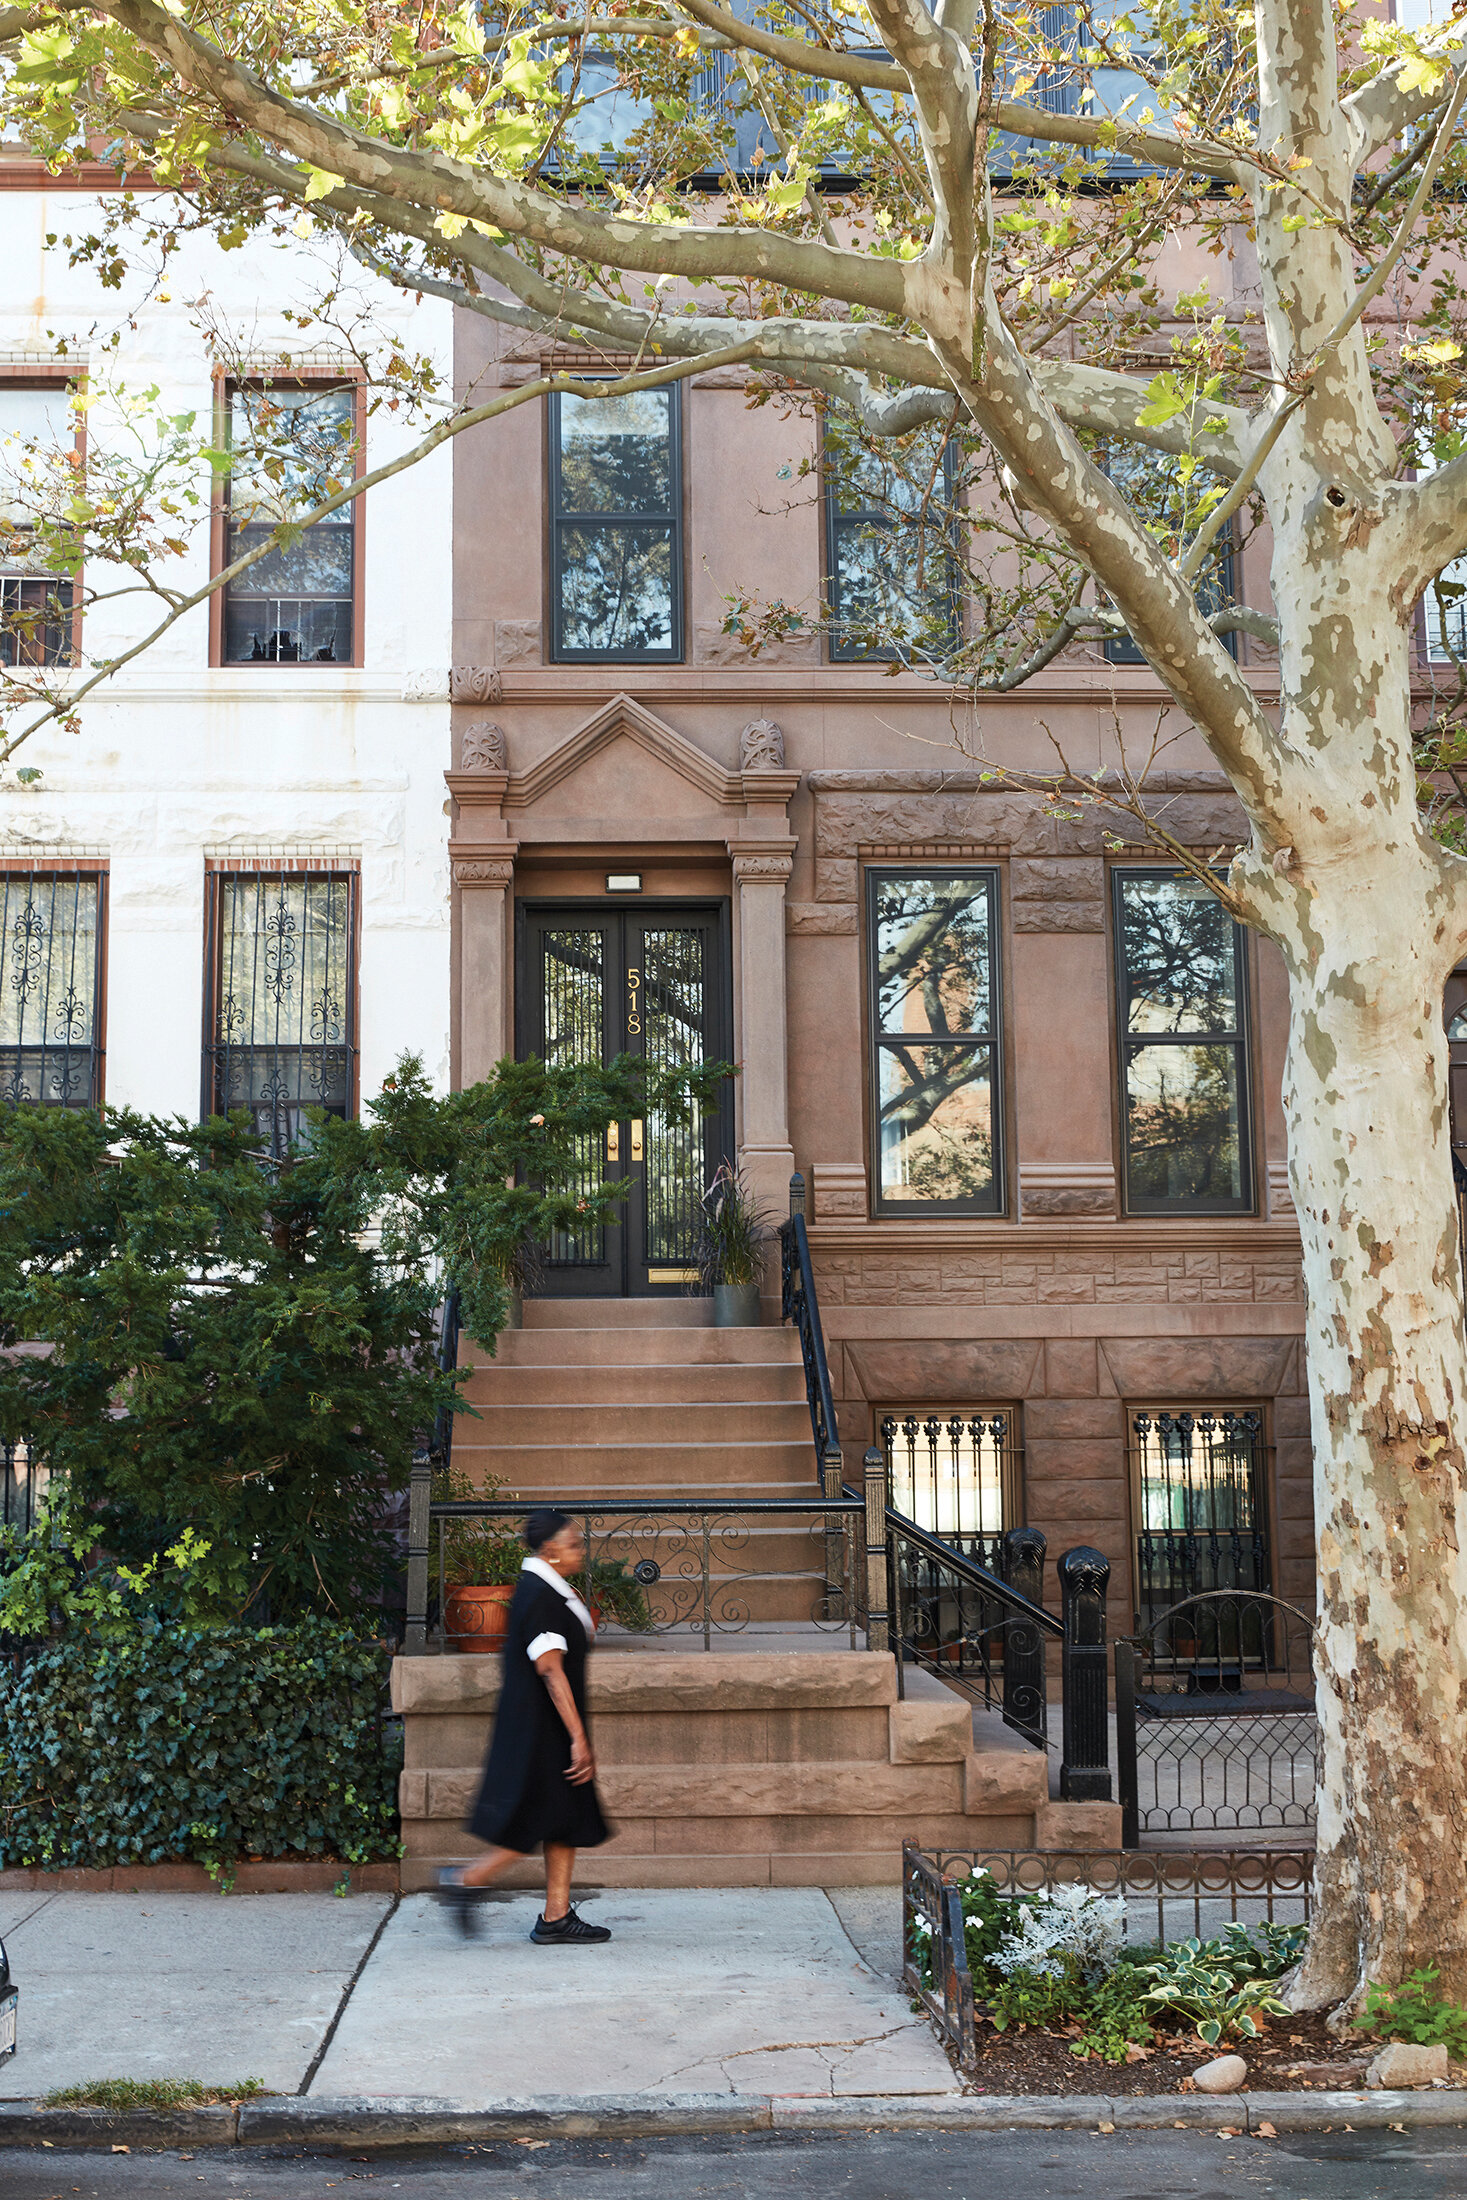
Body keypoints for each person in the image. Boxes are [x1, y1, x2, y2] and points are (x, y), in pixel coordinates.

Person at [437, 1507, 612, 1944]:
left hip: (546, 1725)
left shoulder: (548, 1589)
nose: (581, 1550)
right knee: (534, 1818)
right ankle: (464, 1882)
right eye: (574, 1544)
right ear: (551, 1551)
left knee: (564, 1815)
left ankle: (556, 1916)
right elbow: (551, 1671)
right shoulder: (541, 1597)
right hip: (542, 1729)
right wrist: (577, 1739)